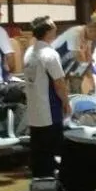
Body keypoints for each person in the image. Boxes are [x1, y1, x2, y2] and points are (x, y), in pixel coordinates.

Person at [24, 16, 69, 178]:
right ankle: (50, 183)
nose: (56, 28)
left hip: (34, 110)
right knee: (51, 150)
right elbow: (59, 83)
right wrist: (66, 102)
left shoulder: (29, 52)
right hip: (49, 110)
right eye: (53, 26)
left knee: (38, 150)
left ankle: (38, 181)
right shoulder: (50, 54)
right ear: (48, 31)